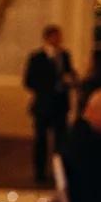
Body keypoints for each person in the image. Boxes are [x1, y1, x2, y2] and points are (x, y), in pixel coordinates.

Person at [23, 24, 77, 183]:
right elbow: (28, 81)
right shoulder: (36, 57)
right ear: (47, 38)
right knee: (41, 140)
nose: (58, 40)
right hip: (43, 105)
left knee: (61, 141)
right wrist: (47, 86)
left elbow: (69, 73)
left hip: (61, 104)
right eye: (55, 36)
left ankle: (59, 171)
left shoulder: (65, 55)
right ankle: (39, 172)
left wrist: (70, 80)